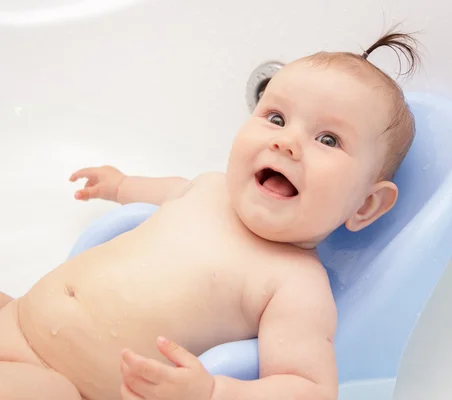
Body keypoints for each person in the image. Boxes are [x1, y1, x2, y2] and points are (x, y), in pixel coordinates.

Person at [0, 28, 419, 400]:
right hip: (17, 315)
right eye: (276, 118)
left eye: (328, 139)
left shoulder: (295, 284)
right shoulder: (209, 187)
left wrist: (212, 390)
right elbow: (160, 190)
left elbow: (308, 387)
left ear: (366, 205)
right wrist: (119, 184)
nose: (287, 142)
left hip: (64, 382)